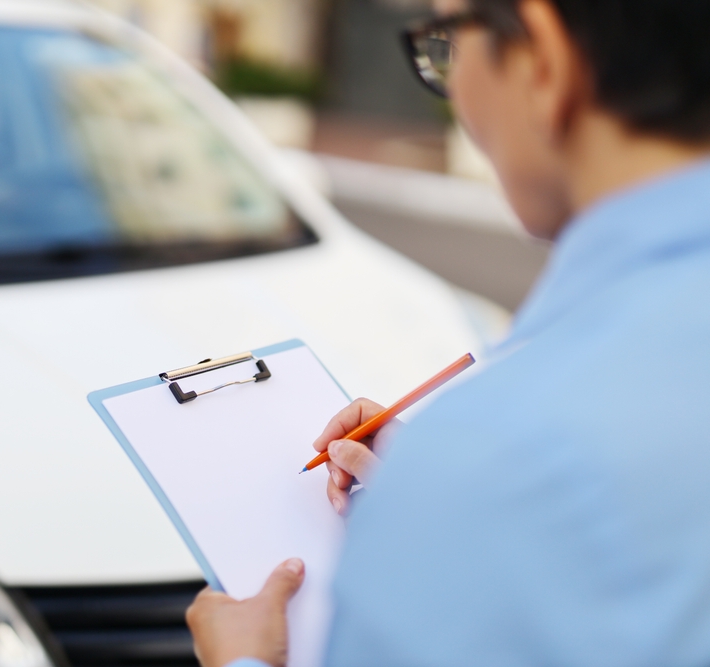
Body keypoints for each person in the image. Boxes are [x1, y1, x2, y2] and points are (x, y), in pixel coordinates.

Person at [186, 0, 710, 664]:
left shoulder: (498, 459)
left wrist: (243, 663)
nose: (452, 85)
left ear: (542, 59)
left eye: (446, 44)